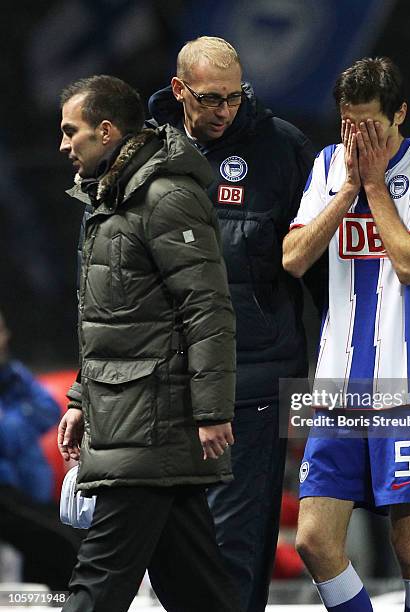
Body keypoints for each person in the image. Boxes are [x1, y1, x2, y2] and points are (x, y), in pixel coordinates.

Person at [283, 57, 410, 612]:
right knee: (314, 541)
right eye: (348, 125)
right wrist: (345, 193)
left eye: (371, 126)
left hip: (409, 381)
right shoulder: (326, 165)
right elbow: (292, 258)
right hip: (337, 383)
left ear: (400, 114)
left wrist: (376, 187)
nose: (357, 138)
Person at [57, 74, 240, 612]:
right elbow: (120, 324)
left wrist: (211, 411)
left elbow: (207, 307)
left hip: (151, 424)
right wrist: (79, 399)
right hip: (131, 416)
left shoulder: (164, 198)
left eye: (73, 131)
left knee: (96, 585)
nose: (64, 145)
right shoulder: (111, 201)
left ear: (107, 131)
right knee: (199, 591)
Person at [148, 36, 319, 612]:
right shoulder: (147, 150)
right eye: (210, 98)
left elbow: (317, 271)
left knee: (235, 546)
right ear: (179, 91)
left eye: (234, 96)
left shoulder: (282, 148)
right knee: (168, 546)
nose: (225, 110)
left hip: (254, 381)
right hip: (165, 383)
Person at [0, 309, 82, 590]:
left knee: (66, 540)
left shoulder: (11, 374)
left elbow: (48, 408)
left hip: (30, 493)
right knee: (64, 547)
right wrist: (21, 419)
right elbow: (8, 436)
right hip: (7, 495)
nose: (3, 338)